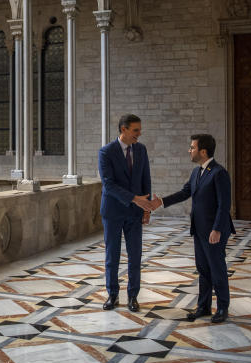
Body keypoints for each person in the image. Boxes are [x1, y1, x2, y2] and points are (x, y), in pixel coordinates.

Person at [154, 134, 235, 323]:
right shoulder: (196, 172)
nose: (189, 150)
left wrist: (216, 229)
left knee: (217, 269)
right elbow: (185, 193)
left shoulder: (219, 173)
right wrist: (161, 202)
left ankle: (223, 308)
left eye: (192, 147)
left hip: (215, 231)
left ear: (203, 151)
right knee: (203, 269)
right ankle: (204, 307)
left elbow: (224, 205)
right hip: (199, 230)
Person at [98, 114, 155, 312]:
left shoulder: (141, 149)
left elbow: (146, 178)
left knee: (135, 256)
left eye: (139, 130)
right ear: (123, 129)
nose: (139, 134)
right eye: (135, 130)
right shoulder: (106, 151)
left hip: (135, 212)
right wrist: (134, 198)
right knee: (112, 255)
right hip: (113, 211)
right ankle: (112, 295)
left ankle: (133, 296)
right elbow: (108, 184)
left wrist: (146, 207)